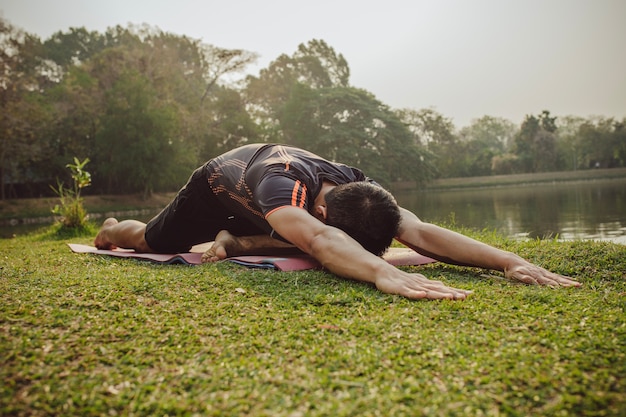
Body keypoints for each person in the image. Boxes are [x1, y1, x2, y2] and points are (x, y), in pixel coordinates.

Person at [94, 143, 581, 300]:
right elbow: (323, 242)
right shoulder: (285, 191)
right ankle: (115, 225)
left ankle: (240, 241)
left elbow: (420, 231)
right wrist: (382, 272)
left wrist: (507, 260)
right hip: (215, 188)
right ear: (322, 212)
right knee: (145, 239)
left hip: (274, 212)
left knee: (300, 239)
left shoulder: (361, 192)